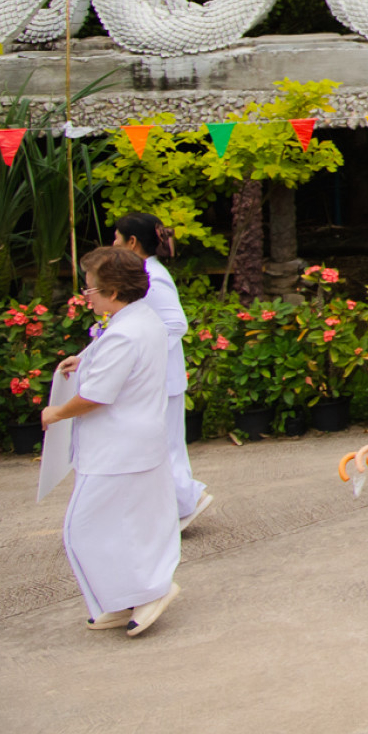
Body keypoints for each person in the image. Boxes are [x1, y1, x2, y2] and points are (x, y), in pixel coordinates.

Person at [45, 246, 181, 636]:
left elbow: (96, 396)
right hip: (137, 442)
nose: (85, 296)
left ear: (114, 292)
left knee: (82, 528)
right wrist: (84, 359)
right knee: (126, 524)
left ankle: (149, 589)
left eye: (90, 289)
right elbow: (118, 360)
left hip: (117, 447)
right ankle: (124, 597)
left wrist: (55, 413)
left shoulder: (124, 331)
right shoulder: (142, 319)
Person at [109, 213, 208, 530]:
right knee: (160, 445)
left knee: (166, 446)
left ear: (132, 242)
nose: (113, 244)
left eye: (117, 238)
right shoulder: (143, 272)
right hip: (156, 377)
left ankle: (183, 503)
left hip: (160, 376)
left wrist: (141, 353)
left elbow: (176, 323)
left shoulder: (153, 275)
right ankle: (178, 503)